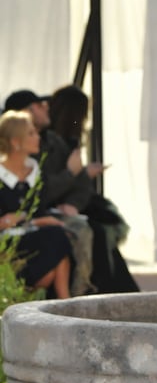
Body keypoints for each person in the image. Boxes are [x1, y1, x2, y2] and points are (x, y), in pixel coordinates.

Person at [4, 87, 139, 295]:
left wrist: (73, 201)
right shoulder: (17, 163)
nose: (46, 107)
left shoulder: (45, 149)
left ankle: (78, 296)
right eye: (39, 105)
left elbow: (74, 187)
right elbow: (42, 197)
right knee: (72, 235)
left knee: (86, 233)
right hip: (21, 232)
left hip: (45, 219)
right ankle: (74, 296)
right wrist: (71, 173)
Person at [0, 111, 72, 298]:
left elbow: (35, 212)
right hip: (7, 245)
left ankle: (61, 300)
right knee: (56, 242)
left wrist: (38, 221)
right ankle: (64, 301)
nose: (38, 137)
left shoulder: (35, 172)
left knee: (58, 238)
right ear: (16, 142)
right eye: (31, 133)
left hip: (33, 236)